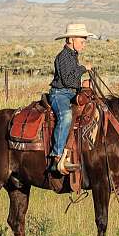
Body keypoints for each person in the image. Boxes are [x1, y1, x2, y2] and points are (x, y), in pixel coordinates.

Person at [48, 23, 95, 175]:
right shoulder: (62, 57)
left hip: (70, 92)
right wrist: (83, 69)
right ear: (71, 40)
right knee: (66, 116)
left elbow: (72, 81)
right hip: (60, 94)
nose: (84, 45)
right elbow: (68, 80)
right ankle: (57, 156)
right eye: (82, 41)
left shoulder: (72, 56)